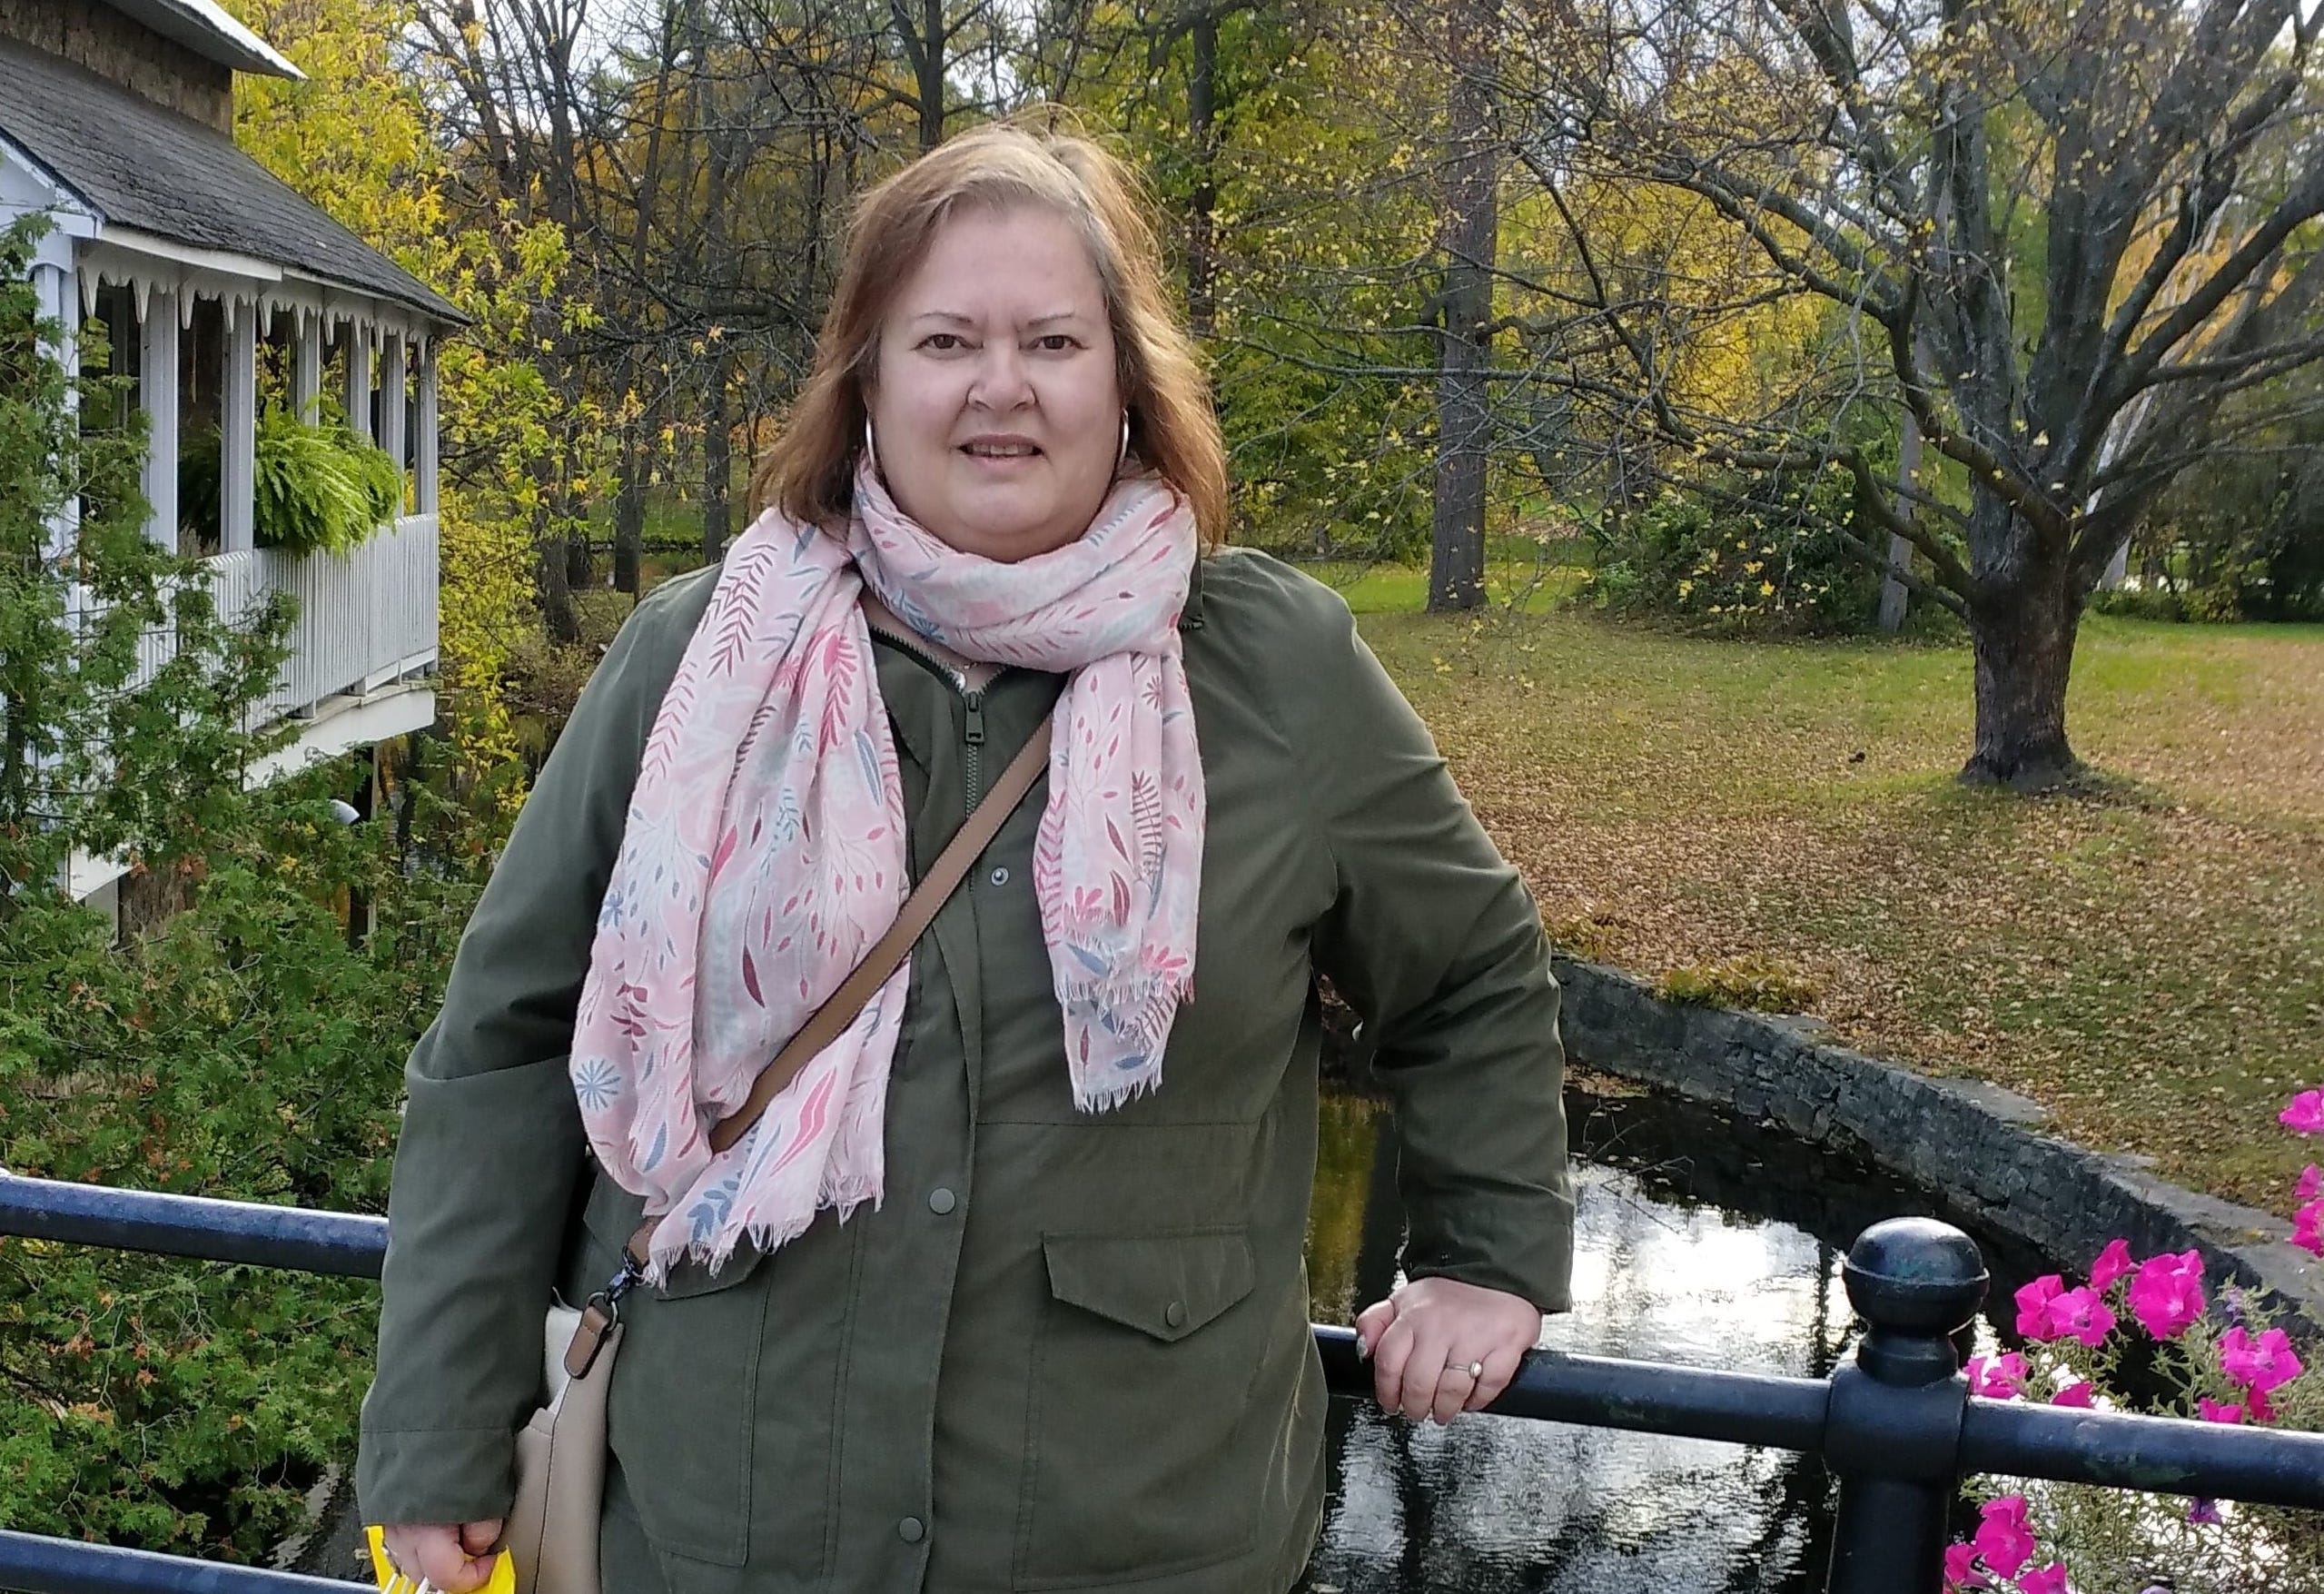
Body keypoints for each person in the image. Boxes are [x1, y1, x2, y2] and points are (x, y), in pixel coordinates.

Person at [358, 116, 1572, 1594]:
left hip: (1141, 1541)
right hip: (726, 1527)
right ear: (866, 381)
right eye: (944, 341)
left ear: (1127, 383)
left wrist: (1483, 1253)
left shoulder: (1274, 670)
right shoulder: (699, 660)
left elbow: (1473, 979)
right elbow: (505, 1047)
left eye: (1054, 341)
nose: (1001, 388)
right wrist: (437, 1424)